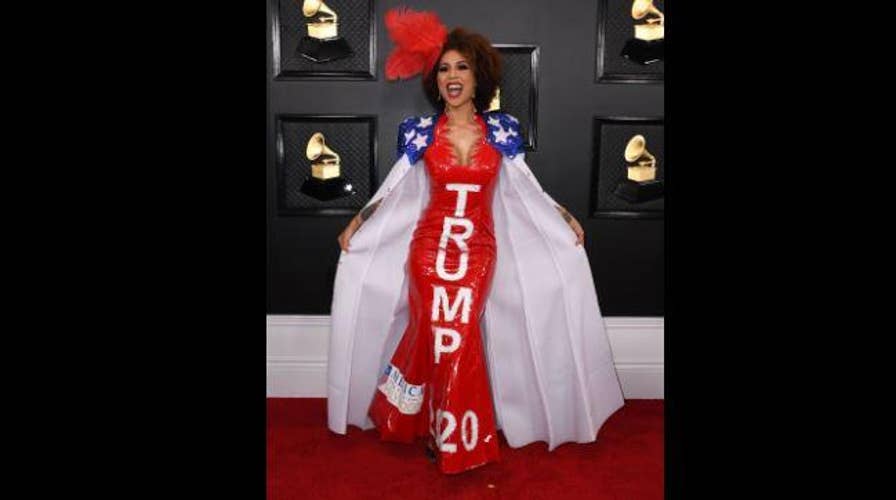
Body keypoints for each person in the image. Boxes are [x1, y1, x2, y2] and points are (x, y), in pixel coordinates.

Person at [327, 7, 624, 474]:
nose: (452, 75)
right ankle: (452, 438)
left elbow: (526, 185)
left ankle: (430, 420)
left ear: (477, 75)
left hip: (478, 252)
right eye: (444, 68)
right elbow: (395, 186)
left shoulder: (502, 129)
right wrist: (357, 222)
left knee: (458, 335)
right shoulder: (420, 131)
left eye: (461, 66)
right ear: (435, 80)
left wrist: (563, 216)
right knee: (440, 335)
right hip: (428, 250)